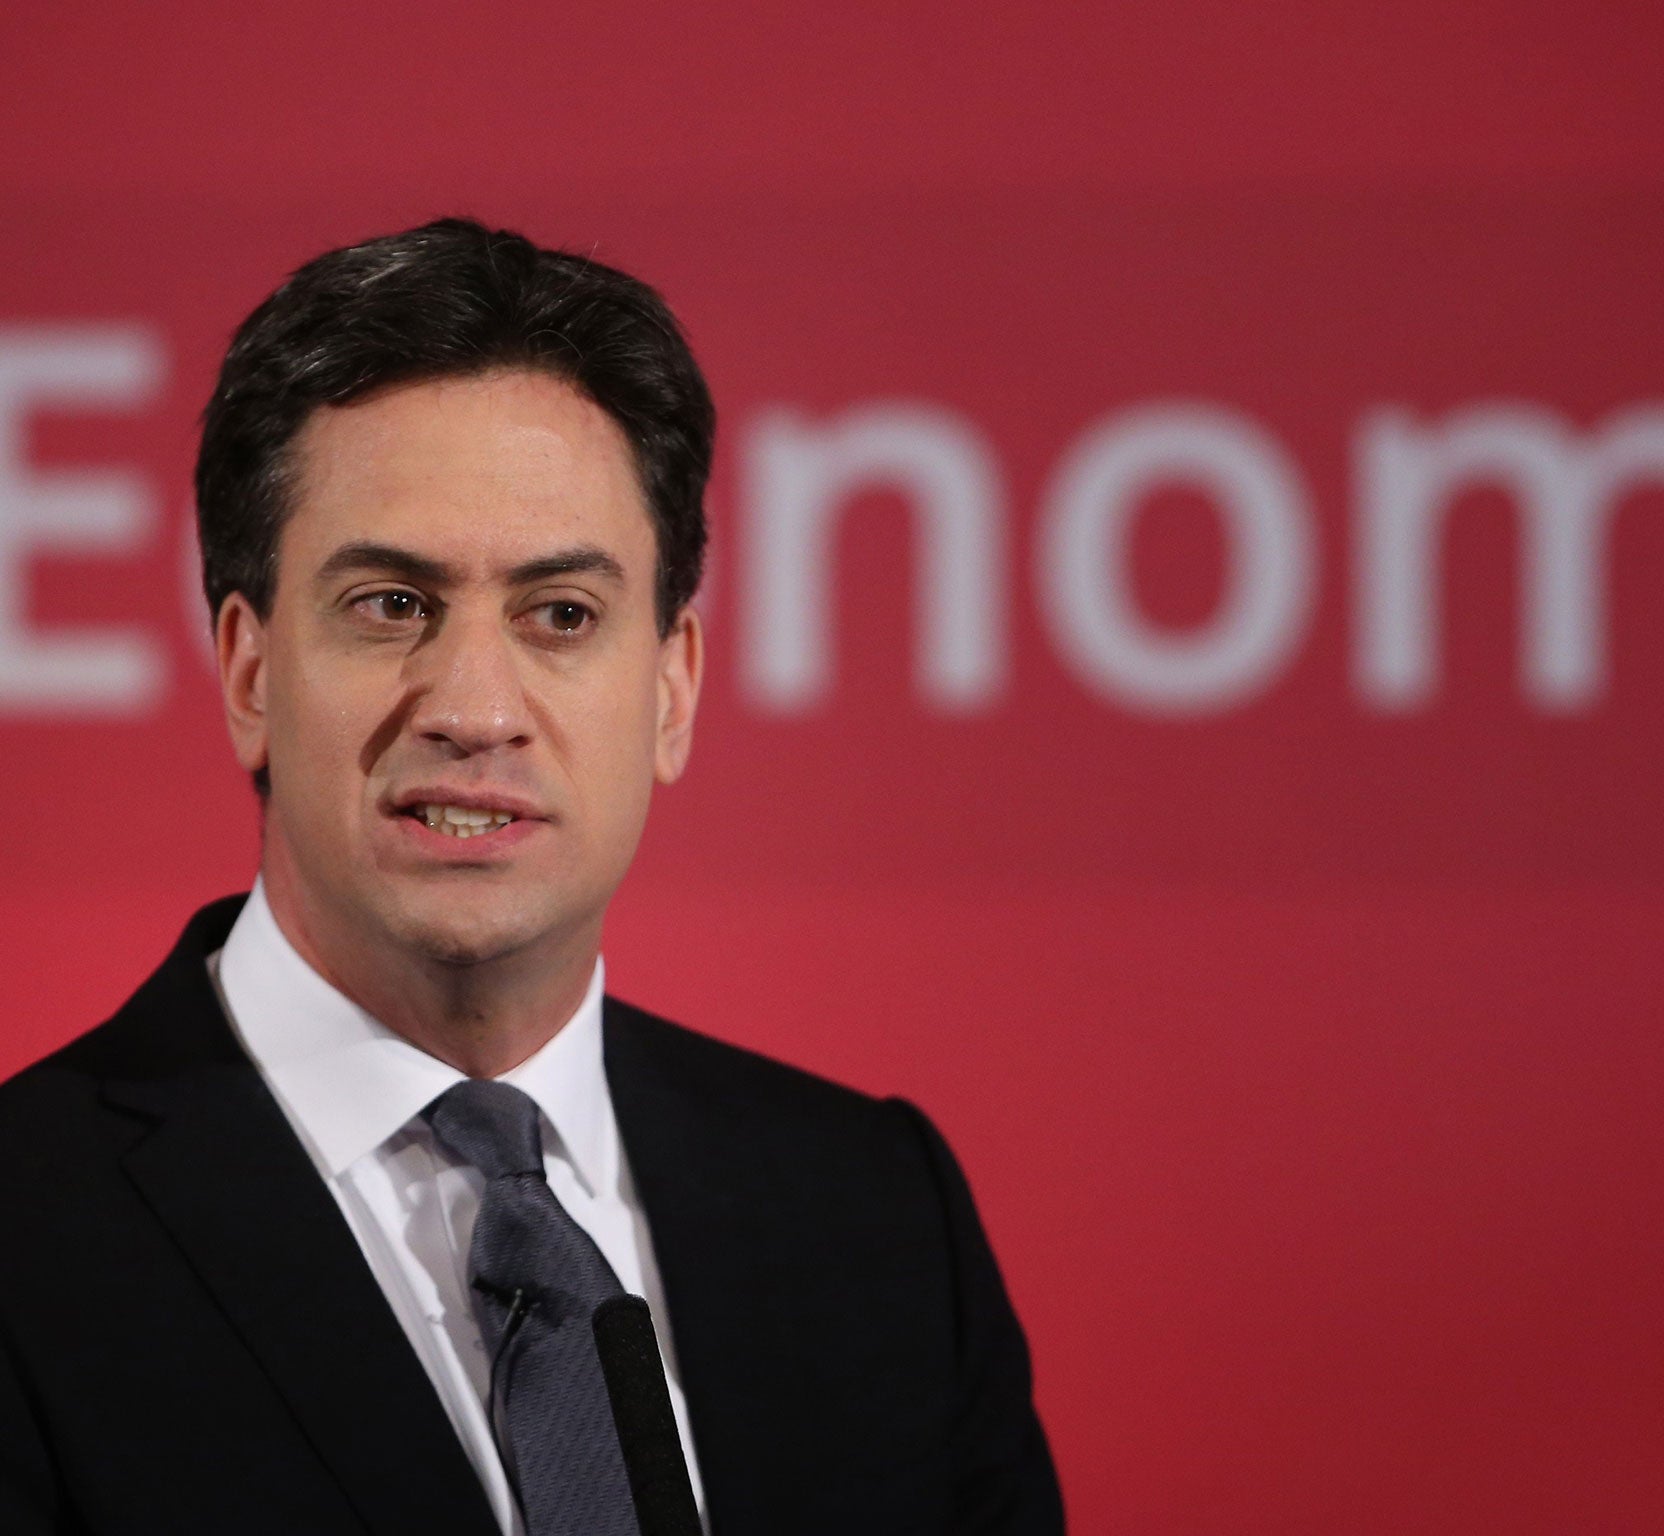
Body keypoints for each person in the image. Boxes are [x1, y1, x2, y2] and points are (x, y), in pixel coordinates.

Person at [0, 219, 1062, 1536]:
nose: (475, 707)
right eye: (392, 604)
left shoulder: (879, 1223)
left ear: (671, 689)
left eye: (562, 615)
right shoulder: (27, 1240)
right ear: (249, 673)